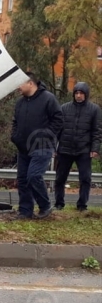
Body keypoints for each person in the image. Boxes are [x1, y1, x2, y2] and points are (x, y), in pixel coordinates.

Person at [11, 72, 63, 220]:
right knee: (22, 179)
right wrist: (15, 136)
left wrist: (45, 135)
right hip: (23, 147)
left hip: (42, 146)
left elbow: (58, 120)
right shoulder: (20, 103)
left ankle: (45, 206)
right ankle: (25, 211)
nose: (17, 87)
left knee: (33, 176)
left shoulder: (48, 99)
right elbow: (15, 122)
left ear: (30, 83)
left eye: (20, 83)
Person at [54, 82, 102, 212]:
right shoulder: (64, 108)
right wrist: (53, 146)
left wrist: (94, 149)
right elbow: (57, 129)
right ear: (73, 94)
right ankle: (59, 203)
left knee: (85, 178)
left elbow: (97, 131)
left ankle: (82, 205)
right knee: (60, 178)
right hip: (65, 148)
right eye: (76, 93)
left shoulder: (94, 110)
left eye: (81, 93)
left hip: (84, 150)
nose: (79, 96)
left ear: (86, 95)